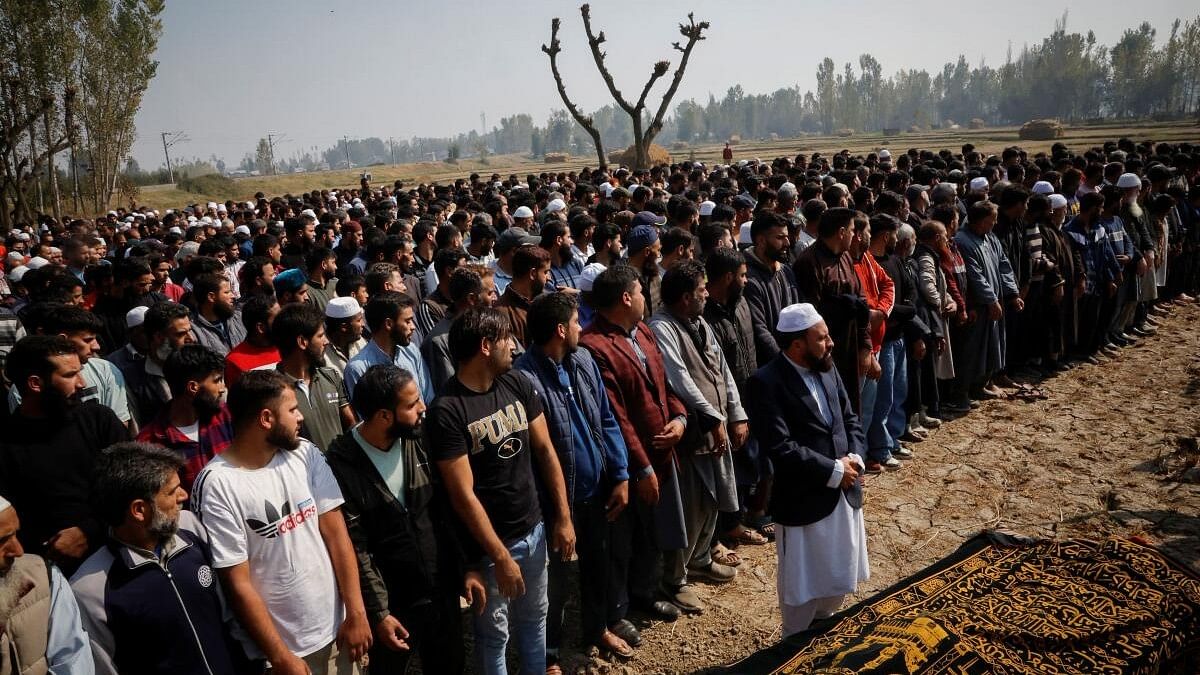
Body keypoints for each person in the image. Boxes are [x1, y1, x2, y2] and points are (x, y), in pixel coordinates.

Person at [191, 370, 372, 675]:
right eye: (292, 410)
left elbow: (337, 534)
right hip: (284, 654)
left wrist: (356, 612)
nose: (300, 417)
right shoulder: (217, 485)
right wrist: (279, 656)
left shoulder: (304, 454)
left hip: (338, 633)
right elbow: (237, 581)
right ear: (266, 419)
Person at [426, 307, 575, 675]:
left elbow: (545, 451)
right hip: (491, 549)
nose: (515, 346)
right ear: (485, 346)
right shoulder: (447, 411)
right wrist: (499, 556)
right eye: (507, 338)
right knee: (494, 637)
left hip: (534, 530)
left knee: (535, 619)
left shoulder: (517, 384)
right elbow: (462, 495)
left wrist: (562, 517)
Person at [514, 292, 635, 664]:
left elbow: (606, 419)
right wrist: (559, 514)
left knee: (598, 564)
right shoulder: (524, 379)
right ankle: (549, 655)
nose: (581, 327)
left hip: (595, 492)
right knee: (555, 582)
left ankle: (597, 628)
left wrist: (620, 474)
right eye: (575, 321)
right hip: (555, 503)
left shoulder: (582, 360)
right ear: (559, 329)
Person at [325, 365, 466, 674]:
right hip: (394, 605)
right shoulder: (341, 465)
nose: (423, 408)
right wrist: (379, 613)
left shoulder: (419, 439)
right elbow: (356, 547)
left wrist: (466, 570)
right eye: (412, 404)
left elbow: (445, 512)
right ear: (384, 416)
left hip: (440, 590)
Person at [69, 442, 250, 675]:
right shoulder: (89, 590)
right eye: (172, 491)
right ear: (139, 510)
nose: (184, 495)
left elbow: (232, 614)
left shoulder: (192, 528)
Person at [744, 303, 868, 636]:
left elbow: (849, 418)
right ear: (798, 345)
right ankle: (792, 649)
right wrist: (834, 470)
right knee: (803, 587)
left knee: (838, 576)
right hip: (803, 501)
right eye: (823, 338)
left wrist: (856, 457)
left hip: (844, 492)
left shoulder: (827, 366)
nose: (831, 344)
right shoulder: (765, 382)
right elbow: (780, 447)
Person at [580, 265, 688, 622]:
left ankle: (644, 594)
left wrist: (679, 418)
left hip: (660, 452)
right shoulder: (594, 346)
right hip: (626, 465)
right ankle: (617, 611)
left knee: (650, 535)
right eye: (641, 291)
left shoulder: (641, 330)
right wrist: (639, 467)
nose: (646, 297)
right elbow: (616, 415)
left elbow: (663, 383)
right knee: (621, 543)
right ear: (626, 298)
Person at [648, 261, 746, 601]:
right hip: (694, 433)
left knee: (714, 500)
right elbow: (679, 378)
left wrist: (735, 413)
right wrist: (711, 417)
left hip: (715, 428)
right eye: (702, 290)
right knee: (691, 506)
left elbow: (722, 371)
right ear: (686, 296)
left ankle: (701, 559)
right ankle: (675, 578)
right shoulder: (662, 327)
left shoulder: (700, 322)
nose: (707, 294)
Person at [0, 335, 131, 576]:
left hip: (122, 555)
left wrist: (88, 531)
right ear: (35, 383)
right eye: (70, 376)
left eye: (79, 372)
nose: (81, 383)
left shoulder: (99, 420)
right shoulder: (6, 444)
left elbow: (135, 487)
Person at [0, 495, 95, 675]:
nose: (18, 551)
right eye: (2, 541)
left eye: (15, 535)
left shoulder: (44, 576)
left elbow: (73, 663)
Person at [136, 344, 233, 493]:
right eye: (217, 380)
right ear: (193, 387)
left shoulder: (227, 416)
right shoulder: (150, 443)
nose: (223, 388)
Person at [955, 200, 1023, 401]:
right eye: (991, 221)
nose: (994, 224)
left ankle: (984, 383)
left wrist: (1012, 293)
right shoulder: (964, 241)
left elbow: (1004, 264)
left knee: (994, 346)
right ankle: (966, 390)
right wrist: (990, 300)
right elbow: (975, 277)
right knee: (974, 349)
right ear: (980, 220)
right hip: (979, 305)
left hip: (996, 301)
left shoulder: (990, 238)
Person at [271, 303, 356, 453]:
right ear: (302, 342)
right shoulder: (273, 390)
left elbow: (350, 423)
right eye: (320, 336)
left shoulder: (331, 376)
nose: (326, 342)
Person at [343, 291, 433, 404]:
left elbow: (428, 397)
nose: (413, 327)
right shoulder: (358, 368)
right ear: (389, 324)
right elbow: (367, 417)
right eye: (407, 321)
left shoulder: (411, 350)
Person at [422, 266, 496, 395]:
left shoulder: (490, 326)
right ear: (471, 299)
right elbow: (450, 392)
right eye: (490, 293)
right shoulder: (439, 342)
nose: (495, 298)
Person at [743, 211, 800, 366]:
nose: (787, 243)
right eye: (780, 238)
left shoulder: (786, 271)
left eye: (787, 236)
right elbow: (760, 330)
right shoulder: (747, 278)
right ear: (761, 240)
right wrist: (786, 363)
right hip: (773, 367)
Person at [127, 301, 194, 425]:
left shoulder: (198, 368)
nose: (191, 338)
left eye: (189, 331)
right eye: (180, 334)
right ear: (158, 337)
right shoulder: (132, 379)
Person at [496, 244, 551, 349]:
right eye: (545, 272)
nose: (549, 278)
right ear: (533, 273)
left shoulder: (547, 301)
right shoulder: (502, 314)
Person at [223, 293, 281, 387]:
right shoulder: (234, 362)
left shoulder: (289, 347)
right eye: (278, 319)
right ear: (261, 328)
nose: (284, 321)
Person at [189, 273, 246, 357]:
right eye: (227, 292)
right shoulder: (193, 330)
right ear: (211, 297)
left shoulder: (239, 318)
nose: (233, 296)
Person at [323, 296, 368, 374]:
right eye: (359, 320)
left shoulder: (360, 341)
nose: (363, 324)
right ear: (344, 327)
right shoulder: (323, 353)